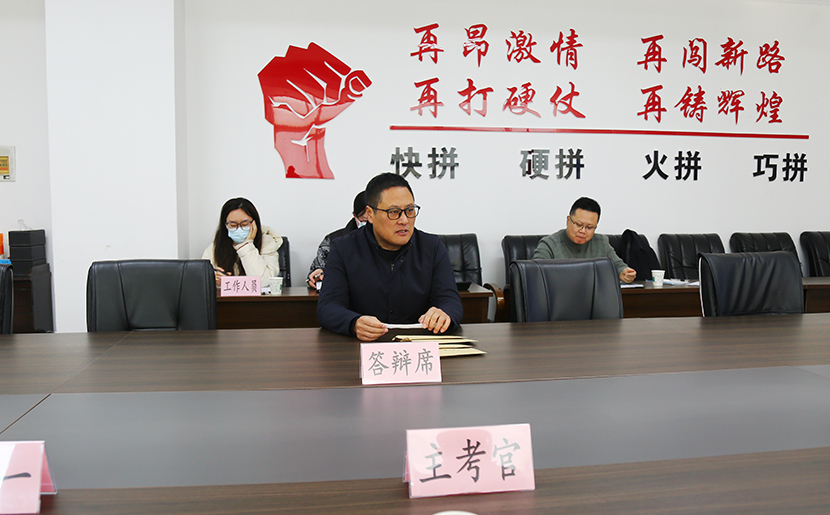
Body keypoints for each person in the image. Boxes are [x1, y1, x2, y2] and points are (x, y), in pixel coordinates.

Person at [317, 173, 463, 341]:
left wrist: (444, 313)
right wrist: (354, 323)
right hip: (363, 345)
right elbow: (328, 307)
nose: (404, 220)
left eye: (409, 210)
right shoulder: (344, 248)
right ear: (370, 214)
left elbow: (450, 300)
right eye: (394, 212)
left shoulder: (432, 247)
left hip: (418, 344)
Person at [533, 197, 637, 283]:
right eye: (579, 225)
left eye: (589, 227)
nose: (583, 231)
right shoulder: (549, 244)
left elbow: (617, 265)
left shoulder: (601, 242)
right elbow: (535, 272)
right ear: (568, 220)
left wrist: (624, 272)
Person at [202, 197, 282, 287]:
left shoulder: (267, 244)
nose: (239, 229)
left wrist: (247, 245)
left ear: (255, 223)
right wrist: (213, 279)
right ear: (225, 226)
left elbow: (263, 282)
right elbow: (201, 281)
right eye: (233, 225)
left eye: (245, 224)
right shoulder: (215, 248)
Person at [307, 191, 369, 289]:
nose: (369, 225)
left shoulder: (391, 241)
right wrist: (318, 275)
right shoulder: (334, 241)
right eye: (364, 221)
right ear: (355, 216)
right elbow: (316, 272)